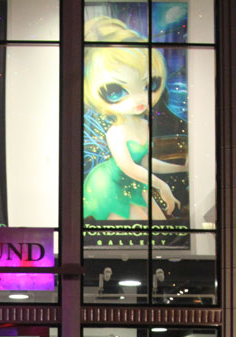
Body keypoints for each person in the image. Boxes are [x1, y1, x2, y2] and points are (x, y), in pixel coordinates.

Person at [82, 16, 185, 222]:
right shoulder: (116, 132)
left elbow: (144, 163)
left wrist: (181, 169)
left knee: (158, 227)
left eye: (150, 85)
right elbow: (128, 167)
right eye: (116, 91)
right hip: (108, 185)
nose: (140, 99)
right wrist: (162, 185)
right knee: (135, 231)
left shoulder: (145, 125)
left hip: (137, 182)